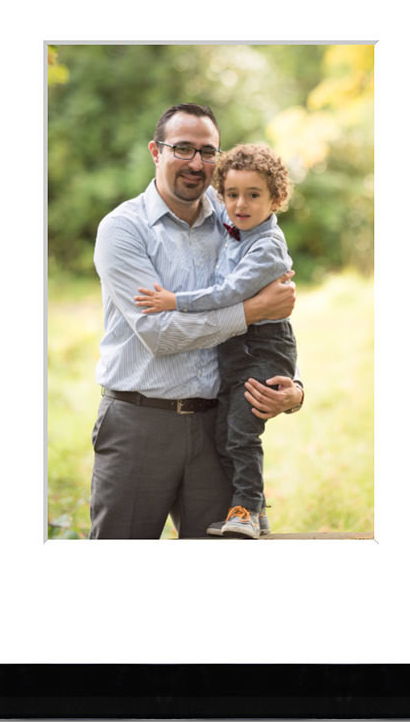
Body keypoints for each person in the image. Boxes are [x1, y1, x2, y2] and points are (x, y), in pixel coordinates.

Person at [89, 103, 303, 539]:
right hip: (139, 423)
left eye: (208, 152)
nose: (196, 163)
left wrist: (295, 390)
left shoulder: (234, 213)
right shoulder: (124, 229)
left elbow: (273, 313)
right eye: (182, 148)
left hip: (215, 426)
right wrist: (249, 311)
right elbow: (160, 335)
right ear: (155, 151)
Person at [134, 144, 297, 540]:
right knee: (226, 434)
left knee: (242, 433)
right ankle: (253, 512)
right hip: (235, 348)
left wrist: (175, 301)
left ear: (276, 199)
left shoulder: (266, 246)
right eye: (232, 195)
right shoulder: (235, 223)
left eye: (254, 195)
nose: (239, 204)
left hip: (260, 346)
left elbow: (228, 293)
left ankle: (244, 509)